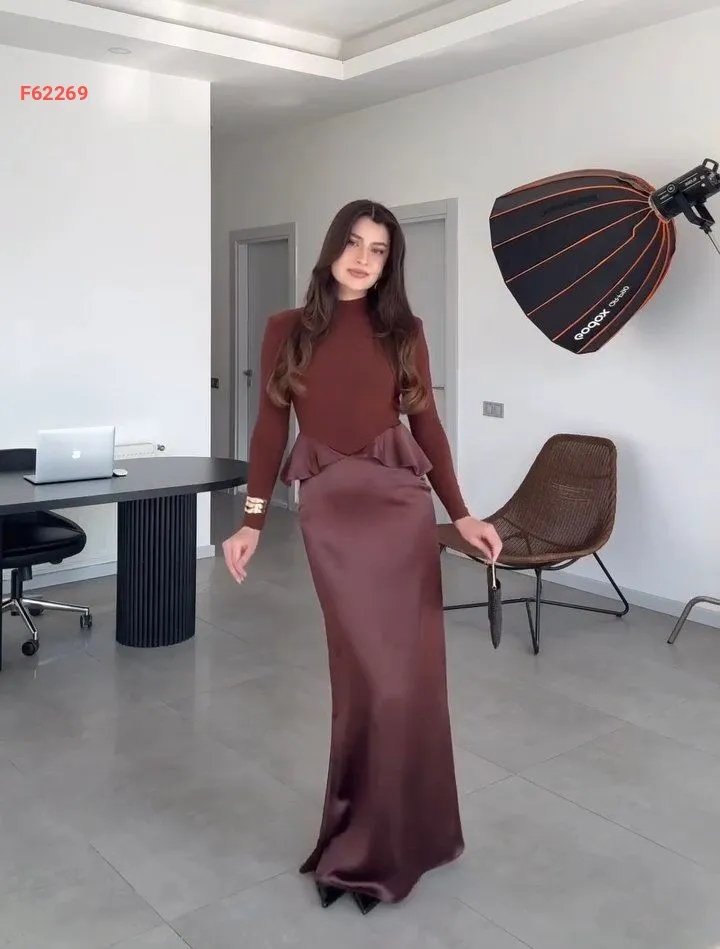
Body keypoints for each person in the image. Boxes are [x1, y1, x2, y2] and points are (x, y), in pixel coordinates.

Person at [222, 199, 502, 915]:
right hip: (331, 518)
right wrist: (251, 521)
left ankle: (406, 839)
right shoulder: (285, 329)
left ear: (388, 263)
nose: (362, 258)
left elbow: (427, 424)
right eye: (353, 242)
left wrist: (461, 512)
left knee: (407, 683)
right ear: (332, 247)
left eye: (378, 250)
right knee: (365, 683)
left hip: (400, 515)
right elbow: (269, 427)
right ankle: (357, 840)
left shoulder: (405, 331)